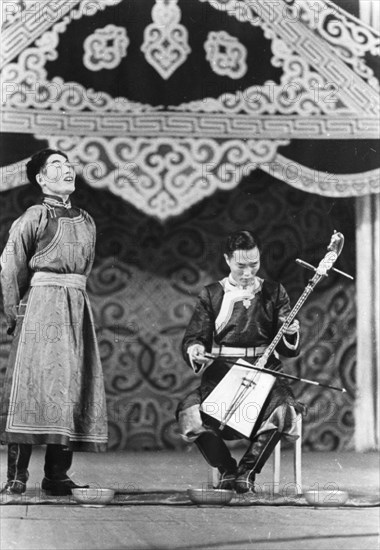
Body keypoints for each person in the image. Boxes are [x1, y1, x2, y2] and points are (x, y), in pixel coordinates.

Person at [0, 148, 108, 496]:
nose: (67, 170)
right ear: (41, 179)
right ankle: (16, 476)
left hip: (75, 307)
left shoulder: (87, 220)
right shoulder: (36, 216)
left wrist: (75, 303)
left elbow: (85, 267)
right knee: (33, 385)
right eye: (56, 166)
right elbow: (10, 267)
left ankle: (57, 475)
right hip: (42, 307)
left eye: (69, 164)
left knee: (71, 387)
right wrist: (14, 311)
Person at [177, 230, 303, 493]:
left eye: (254, 264)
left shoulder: (274, 292)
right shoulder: (212, 294)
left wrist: (290, 334)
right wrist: (197, 349)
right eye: (241, 265)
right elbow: (194, 337)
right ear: (227, 260)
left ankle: (247, 471)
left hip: (266, 371)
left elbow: (287, 347)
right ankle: (227, 469)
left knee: (285, 410)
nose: (248, 272)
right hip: (222, 373)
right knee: (190, 412)